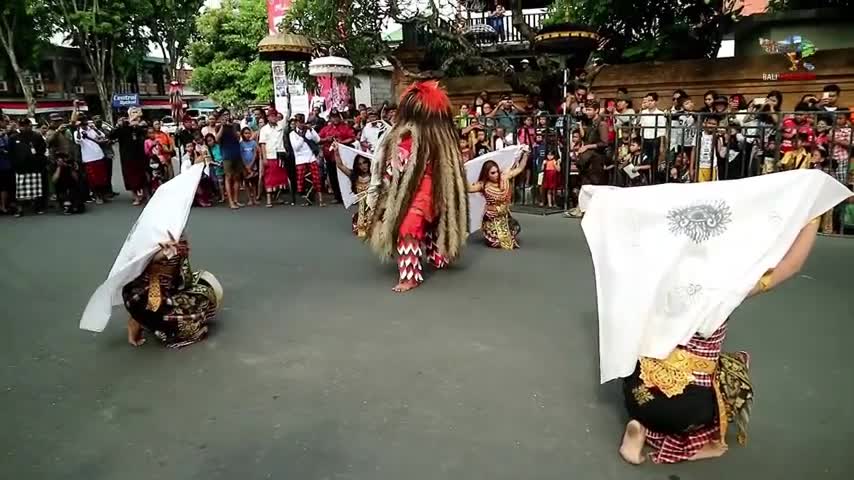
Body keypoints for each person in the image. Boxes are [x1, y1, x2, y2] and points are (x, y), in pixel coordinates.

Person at [365, 81, 469, 293]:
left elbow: (395, 167)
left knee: (408, 229)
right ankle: (439, 257)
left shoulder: (417, 138)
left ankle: (410, 276)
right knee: (431, 224)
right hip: (427, 191)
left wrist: (382, 183)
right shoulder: (438, 138)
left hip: (423, 192)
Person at [123, 233, 222, 348]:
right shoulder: (176, 243)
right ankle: (147, 322)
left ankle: (140, 319)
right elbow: (185, 279)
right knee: (204, 292)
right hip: (153, 301)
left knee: (202, 288)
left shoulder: (148, 240)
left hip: (138, 297)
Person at [469, 150, 529, 249]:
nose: (496, 174)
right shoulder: (483, 184)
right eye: (493, 173)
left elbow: (519, 168)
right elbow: (469, 189)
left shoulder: (504, 177)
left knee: (515, 229)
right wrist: (459, 174)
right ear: (486, 174)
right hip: (491, 218)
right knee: (496, 241)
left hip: (504, 215)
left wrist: (526, 154)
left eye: (497, 171)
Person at [332, 142, 372, 238]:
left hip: (375, 207)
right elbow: (340, 165)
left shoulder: (374, 175)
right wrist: (336, 151)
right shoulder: (355, 176)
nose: (363, 166)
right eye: (360, 164)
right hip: (362, 208)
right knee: (362, 230)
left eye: (365, 162)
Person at [110, 109, 149, 205]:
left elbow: (145, 134)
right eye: (133, 114)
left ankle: (146, 195)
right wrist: (118, 125)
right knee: (130, 177)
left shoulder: (140, 127)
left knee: (143, 175)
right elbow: (112, 136)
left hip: (140, 155)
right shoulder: (123, 127)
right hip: (127, 157)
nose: (135, 117)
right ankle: (135, 197)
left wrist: (137, 126)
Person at [9, 118, 47, 216]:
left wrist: (37, 161)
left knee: (37, 190)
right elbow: (11, 152)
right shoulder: (14, 137)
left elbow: (42, 149)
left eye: (26, 125)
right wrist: (15, 164)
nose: (24, 127)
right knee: (20, 190)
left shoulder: (37, 136)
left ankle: (38, 207)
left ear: (30, 125)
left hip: (34, 166)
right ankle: (20, 209)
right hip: (20, 168)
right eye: (22, 125)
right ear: (19, 126)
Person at [319, 112, 356, 203]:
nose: (335, 119)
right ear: (330, 118)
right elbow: (319, 139)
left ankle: (348, 195)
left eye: (336, 117)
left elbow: (352, 138)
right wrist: (326, 139)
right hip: (330, 156)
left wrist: (342, 142)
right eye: (333, 117)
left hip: (343, 156)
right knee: (333, 177)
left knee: (345, 176)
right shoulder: (326, 129)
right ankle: (337, 196)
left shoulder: (345, 127)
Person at [258, 109, 291, 207]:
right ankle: (268, 199)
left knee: (280, 177)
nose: (273, 118)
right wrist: (264, 158)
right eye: (271, 116)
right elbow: (262, 144)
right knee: (269, 177)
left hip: (280, 154)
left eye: (274, 116)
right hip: (270, 155)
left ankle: (277, 197)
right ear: (267, 118)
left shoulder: (280, 127)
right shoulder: (264, 129)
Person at [75, 117, 111, 204]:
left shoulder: (91, 129)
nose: (84, 125)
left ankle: (103, 195)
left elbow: (102, 136)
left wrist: (94, 128)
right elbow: (78, 140)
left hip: (99, 155)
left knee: (102, 177)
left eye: (85, 123)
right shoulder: (77, 132)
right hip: (88, 158)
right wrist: (78, 129)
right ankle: (97, 196)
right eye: (82, 124)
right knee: (93, 179)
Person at [290, 117, 324, 206]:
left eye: (302, 122)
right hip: (300, 159)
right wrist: (302, 137)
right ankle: (307, 200)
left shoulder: (309, 131)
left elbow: (318, 140)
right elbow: (296, 147)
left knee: (316, 179)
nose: (301, 124)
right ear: (296, 123)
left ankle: (320, 200)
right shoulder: (292, 134)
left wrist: (312, 130)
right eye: (299, 122)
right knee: (303, 181)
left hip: (311, 158)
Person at [239, 127, 260, 206]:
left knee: (254, 183)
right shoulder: (241, 144)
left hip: (253, 165)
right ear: (242, 134)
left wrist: (251, 164)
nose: (247, 135)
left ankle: (254, 199)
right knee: (247, 183)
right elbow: (241, 155)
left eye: (248, 133)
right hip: (244, 166)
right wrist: (246, 166)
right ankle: (249, 199)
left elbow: (255, 154)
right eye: (245, 133)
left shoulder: (253, 143)